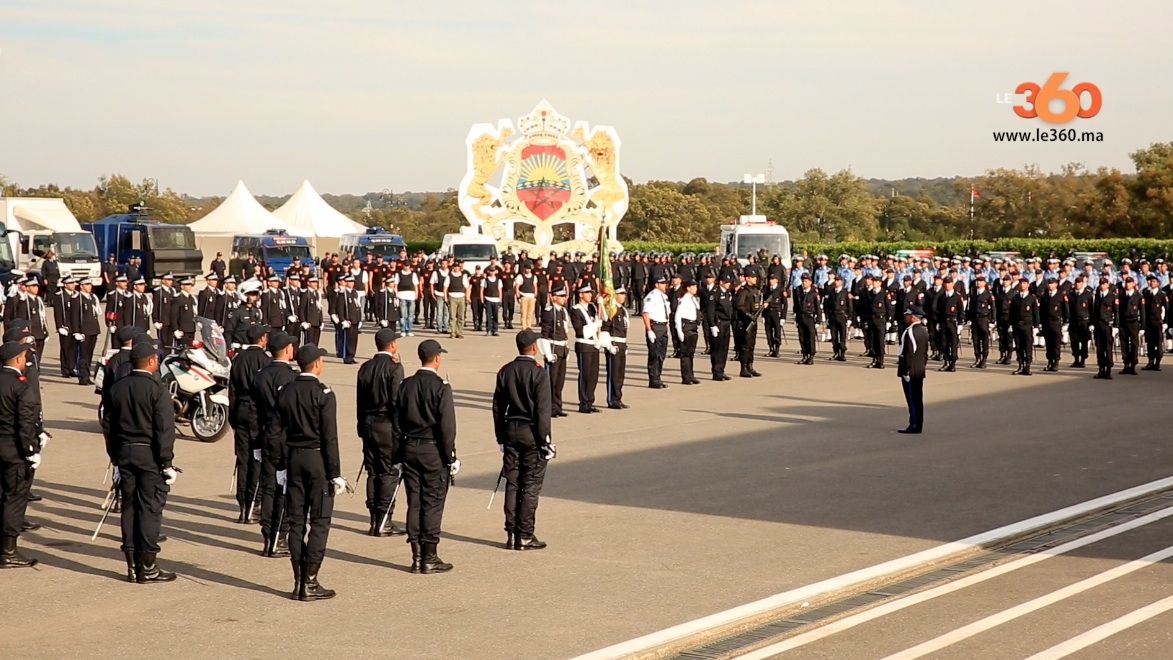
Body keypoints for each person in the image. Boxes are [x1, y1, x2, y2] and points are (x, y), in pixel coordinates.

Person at [104, 340, 178, 582]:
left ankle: (132, 565)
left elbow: (109, 425)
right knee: (149, 509)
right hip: (150, 455)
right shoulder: (157, 389)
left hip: (124, 452)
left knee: (129, 507)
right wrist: (167, 463)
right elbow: (164, 429)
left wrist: (114, 457)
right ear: (150, 361)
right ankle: (147, 566)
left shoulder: (118, 388)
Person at [277, 343, 344, 600]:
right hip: (317, 459)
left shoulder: (285, 392)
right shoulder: (323, 393)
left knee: (296, 522)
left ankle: (298, 581)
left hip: (294, 458)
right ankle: (311, 581)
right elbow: (330, 437)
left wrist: (281, 465)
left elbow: (277, 432)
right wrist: (335, 472)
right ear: (316, 364)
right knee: (319, 520)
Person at [397, 339, 458, 574]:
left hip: (410, 447)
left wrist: (399, 452)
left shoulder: (406, 385)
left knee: (415, 501)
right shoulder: (441, 387)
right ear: (437, 358)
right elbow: (447, 427)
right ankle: (429, 556)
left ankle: (416, 556)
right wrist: (450, 456)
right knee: (432, 502)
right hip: (433, 449)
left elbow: (397, 421)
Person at [493, 329, 555, 550]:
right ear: (533, 348)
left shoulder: (506, 371)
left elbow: (498, 407)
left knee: (512, 483)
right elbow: (542, 411)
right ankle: (525, 534)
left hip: (511, 429)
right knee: (530, 484)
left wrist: (500, 436)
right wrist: (546, 441)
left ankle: (511, 533)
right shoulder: (539, 373)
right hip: (531, 432)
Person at [356, 328, 407, 538]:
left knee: (373, 470)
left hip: (368, 422)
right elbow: (397, 403)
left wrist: (360, 425)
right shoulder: (394, 367)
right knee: (388, 471)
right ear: (392, 345)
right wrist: (400, 431)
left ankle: (374, 518)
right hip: (387, 423)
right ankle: (385, 519)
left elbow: (359, 400)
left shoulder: (365, 367)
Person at [253, 332, 299, 558]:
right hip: (285, 436)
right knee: (284, 487)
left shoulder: (261, 376)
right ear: (287, 349)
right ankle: (280, 535)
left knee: (269, 485)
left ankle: (268, 535)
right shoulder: (290, 377)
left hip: (266, 433)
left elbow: (255, 410)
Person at [0, 341, 40, 568]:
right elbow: (25, 423)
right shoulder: (21, 385)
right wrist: (30, 451)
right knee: (14, 498)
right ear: (17, 359)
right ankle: (9, 551)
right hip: (13, 448)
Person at [229, 324, 272, 523]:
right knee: (257, 460)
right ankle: (254, 503)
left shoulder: (238, 360)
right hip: (257, 413)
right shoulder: (266, 361)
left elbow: (232, 391)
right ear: (262, 339)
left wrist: (232, 417)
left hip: (240, 410)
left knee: (242, 459)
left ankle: (243, 504)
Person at [538, 285, 570, 418]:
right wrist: (547, 353)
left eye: (564, 296)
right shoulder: (549, 312)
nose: (564, 298)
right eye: (561, 296)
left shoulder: (563, 311)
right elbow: (544, 334)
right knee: (551, 381)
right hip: (553, 348)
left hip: (562, 348)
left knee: (559, 381)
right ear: (554, 297)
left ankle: (557, 406)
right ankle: (549, 408)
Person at [570, 283, 602, 413]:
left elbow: (603, 318)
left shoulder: (593, 308)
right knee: (585, 374)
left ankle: (590, 401)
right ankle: (583, 403)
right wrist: (595, 325)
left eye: (591, 293)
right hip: (584, 345)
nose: (590, 295)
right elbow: (580, 330)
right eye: (588, 293)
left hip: (594, 344)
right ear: (581, 295)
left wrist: (602, 305)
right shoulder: (576, 310)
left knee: (594, 375)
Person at [896, 306, 929, 434]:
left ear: (913, 316)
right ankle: (917, 423)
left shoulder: (910, 331)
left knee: (912, 399)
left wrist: (906, 370)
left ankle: (914, 424)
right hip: (919, 368)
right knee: (917, 398)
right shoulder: (923, 330)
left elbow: (909, 352)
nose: (906, 317)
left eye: (908, 315)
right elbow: (925, 352)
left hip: (911, 370)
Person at [601, 287, 630, 409]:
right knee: (613, 373)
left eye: (624, 294)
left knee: (620, 374)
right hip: (614, 344)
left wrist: (625, 345)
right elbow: (605, 329)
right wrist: (609, 345)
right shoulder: (611, 310)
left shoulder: (622, 310)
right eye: (621, 294)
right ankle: (612, 399)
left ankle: (618, 397)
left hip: (621, 344)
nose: (623, 296)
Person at [642, 276, 671, 388]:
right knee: (654, 354)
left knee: (661, 354)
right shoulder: (651, 296)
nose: (665, 285)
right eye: (662, 283)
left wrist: (667, 326)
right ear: (656, 284)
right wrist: (649, 330)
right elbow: (645, 313)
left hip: (663, 326)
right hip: (655, 326)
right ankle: (653, 379)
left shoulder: (664, 296)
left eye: (665, 283)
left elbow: (667, 313)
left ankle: (658, 377)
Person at [72, 278, 103, 385]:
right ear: (81, 286)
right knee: (83, 355)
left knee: (89, 354)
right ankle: (82, 376)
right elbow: (74, 317)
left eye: (90, 284)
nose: (89, 286)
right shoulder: (77, 299)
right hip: (83, 331)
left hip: (93, 329)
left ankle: (87, 374)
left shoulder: (92, 298)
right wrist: (76, 331)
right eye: (87, 284)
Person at [733, 271, 765, 377]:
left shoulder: (755, 290)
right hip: (745, 321)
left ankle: (750, 366)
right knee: (745, 346)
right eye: (752, 277)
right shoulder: (743, 291)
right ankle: (743, 368)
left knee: (751, 345)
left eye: (755, 277)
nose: (755, 279)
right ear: (747, 278)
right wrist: (749, 315)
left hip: (753, 321)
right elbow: (739, 306)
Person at [1009, 278, 1040, 375]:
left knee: (1027, 346)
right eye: (1021, 283)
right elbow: (1011, 313)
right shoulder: (1015, 298)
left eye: (1024, 283)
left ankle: (1027, 366)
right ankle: (1021, 365)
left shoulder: (1032, 298)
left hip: (1027, 325)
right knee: (1019, 347)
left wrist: (1036, 326)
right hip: (1017, 325)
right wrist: (1010, 324)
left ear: (1028, 285)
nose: (1022, 285)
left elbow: (1036, 314)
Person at [706, 273, 735, 379]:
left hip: (727, 322)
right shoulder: (715, 293)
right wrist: (712, 325)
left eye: (729, 282)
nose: (728, 284)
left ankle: (721, 369)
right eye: (726, 282)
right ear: (721, 282)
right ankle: (716, 371)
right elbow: (710, 311)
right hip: (718, 323)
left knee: (724, 348)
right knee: (717, 348)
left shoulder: (728, 293)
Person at [675, 280, 703, 384]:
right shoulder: (685, 300)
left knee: (691, 353)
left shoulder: (693, 299)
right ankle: (686, 377)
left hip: (693, 326)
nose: (696, 288)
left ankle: (690, 375)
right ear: (688, 288)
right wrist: (679, 331)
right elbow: (678, 316)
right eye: (693, 286)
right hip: (686, 326)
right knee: (685, 353)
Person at [1092, 277, 1119, 379]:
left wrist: (1116, 325)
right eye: (1101, 284)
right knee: (1099, 348)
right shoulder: (1098, 296)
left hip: (1108, 325)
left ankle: (1108, 370)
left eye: (1104, 284)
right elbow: (1094, 311)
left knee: (1107, 348)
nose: (1102, 286)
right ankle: (1101, 369)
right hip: (1098, 325)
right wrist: (1092, 323)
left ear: (1108, 285)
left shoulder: (1112, 296)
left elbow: (1116, 312)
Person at [1141, 274, 1168, 371]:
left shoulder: (1162, 295)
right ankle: (1150, 361)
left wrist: (1165, 322)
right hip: (1148, 321)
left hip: (1158, 322)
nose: (1152, 283)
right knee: (1150, 343)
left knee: (1158, 342)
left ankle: (1157, 363)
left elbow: (1167, 309)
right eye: (1151, 281)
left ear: (1158, 283)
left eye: (1154, 282)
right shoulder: (1146, 293)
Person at [793, 273, 820, 365]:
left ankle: (811, 356)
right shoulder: (798, 291)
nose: (804, 283)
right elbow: (796, 305)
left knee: (810, 338)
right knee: (802, 338)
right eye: (803, 281)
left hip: (810, 317)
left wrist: (818, 320)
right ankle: (805, 355)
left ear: (810, 282)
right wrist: (796, 317)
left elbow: (818, 308)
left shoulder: (814, 293)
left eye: (806, 281)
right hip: (801, 317)